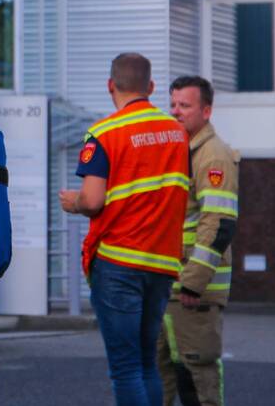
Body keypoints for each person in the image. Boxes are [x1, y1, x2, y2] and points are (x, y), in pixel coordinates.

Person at [58, 53, 189, 406]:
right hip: (161, 262)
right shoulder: (177, 133)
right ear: (151, 86)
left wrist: (73, 202)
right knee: (147, 362)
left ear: (110, 85)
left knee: (126, 367)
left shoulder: (105, 133)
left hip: (118, 262)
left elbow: (92, 199)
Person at [157, 76, 239, 406]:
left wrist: (193, 282)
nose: (176, 111)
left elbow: (218, 223)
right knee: (160, 377)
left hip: (193, 291)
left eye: (185, 105)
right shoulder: (181, 149)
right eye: (173, 104)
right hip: (170, 286)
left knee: (197, 380)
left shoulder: (213, 155)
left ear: (206, 111)